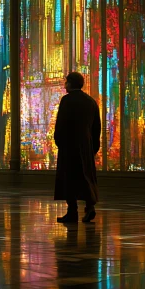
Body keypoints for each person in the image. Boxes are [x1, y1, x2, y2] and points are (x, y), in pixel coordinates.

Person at [54, 72, 101, 223]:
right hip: (86, 145)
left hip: (69, 145)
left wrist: (59, 141)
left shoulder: (66, 101)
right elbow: (96, 127)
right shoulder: (90, 102)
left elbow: (61, 124)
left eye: (66, 82)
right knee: (86, 176)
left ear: (71, 83)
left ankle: (72, 211)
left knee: (69, 178)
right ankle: (90, 207)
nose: (65, 85)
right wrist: (93, 146)